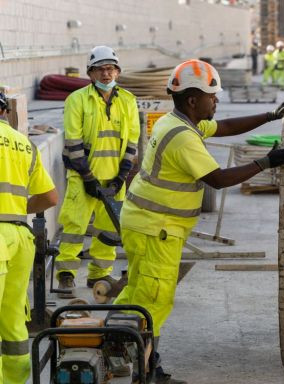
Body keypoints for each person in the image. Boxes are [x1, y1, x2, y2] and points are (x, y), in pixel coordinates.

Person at [113, 59, 284, 383]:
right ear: (192, 100)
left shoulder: (181, 122)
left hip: (147, 224)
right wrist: (266, 161)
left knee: (138, 292)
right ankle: (147, 370)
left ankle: (112, 339)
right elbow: (217, 178)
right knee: (156, 300)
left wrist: (270, 115)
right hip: (155, 228)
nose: (216, 101)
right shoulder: (183, 136)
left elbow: (225, 127)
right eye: (211, 96)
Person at [55, 45, 139, 297]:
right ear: (90, 73)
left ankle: (99, 274)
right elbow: (73, 141)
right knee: (74, 226)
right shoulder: (77, 99)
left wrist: (121, 176)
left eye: (111, 68)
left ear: (117, 72)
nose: (106, 74)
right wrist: (89, 177)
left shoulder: (128, 100)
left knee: (110, 229)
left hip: (114, 178)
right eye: (101, 69)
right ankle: (66, 275)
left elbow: (132, 141)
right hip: (83, 178)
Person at [0, 92, 58, 384]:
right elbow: (49, 197)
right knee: (12, 322)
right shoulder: (23, 143)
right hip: (19, 236)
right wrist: (13, 209)